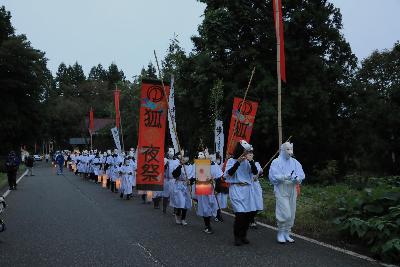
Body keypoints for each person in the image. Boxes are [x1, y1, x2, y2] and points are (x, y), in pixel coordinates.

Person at [268, 142, 305, 244]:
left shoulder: (295, 162)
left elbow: (301, 174)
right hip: (282, 188)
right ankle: (280, 232)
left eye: (291, 149)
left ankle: (287, 232)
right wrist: (284, 177)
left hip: (292, 188)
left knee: (292, 212)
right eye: (287, 149)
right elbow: (273, 176)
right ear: (283, 150)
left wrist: (297, 178)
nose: (290, 151)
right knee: (285, 212)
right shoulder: (276, 162)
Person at [223, 140, 258, 246]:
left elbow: (255, 172)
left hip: (247, 190)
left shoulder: (248, 162)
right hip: (236, 189)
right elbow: (228, 174)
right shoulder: (231, 161)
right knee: (240, 214)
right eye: (245, 151)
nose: (247, 153)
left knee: (247, 214)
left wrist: (251, 161)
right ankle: (237, 237)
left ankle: (243, 235)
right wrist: (237, 162)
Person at [195, 149, 223, 234]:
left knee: (213, 205)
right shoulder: (200, 164)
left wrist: (218, 189)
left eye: (209, 154)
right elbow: (201, 176)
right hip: (203, 185)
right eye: (206, 154)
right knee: (205, 206)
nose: (209, 156)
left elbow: (219, 177)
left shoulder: (215, 165)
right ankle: (207, 225)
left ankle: (212, 219)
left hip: (213, 187)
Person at [171, 150, 193, 225]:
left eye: (186, 156)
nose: (185, 158)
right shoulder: (177, 165)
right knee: (181, 201)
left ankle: (183, 218)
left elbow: (193, 176)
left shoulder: (191, 166)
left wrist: (190, 181)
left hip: (186, 185)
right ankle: (177, 214)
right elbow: (175, 174)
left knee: (186, 203)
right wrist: (180, 165)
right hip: (179, 185)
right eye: (184, 156)